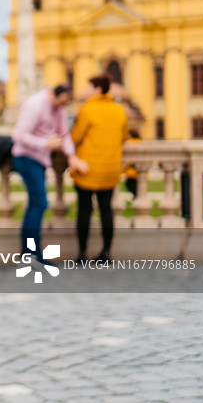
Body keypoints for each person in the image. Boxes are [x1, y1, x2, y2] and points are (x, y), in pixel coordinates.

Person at [12, 84, 89, 266]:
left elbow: (64, 134)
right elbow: (19, 135)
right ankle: (31, 253)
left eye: (66, 104)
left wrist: (71, 156)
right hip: (26, 157)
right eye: (62, 102)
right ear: (53, 94)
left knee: (36, 203)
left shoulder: (59, 107)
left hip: (39, 160)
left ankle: (29, 253)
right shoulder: (35, 105)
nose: (63, 107)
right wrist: (45, 144)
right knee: (39, 202)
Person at [70, 75, 129, 264]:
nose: (85, 91)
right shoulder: (119, 110)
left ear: (97, 90)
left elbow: (75, 137)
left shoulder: (87, 109)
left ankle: (82, 253)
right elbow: (124, 135)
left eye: (88, 87)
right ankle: (106, 253)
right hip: (110, 169)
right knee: (106, 211)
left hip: (88, 169)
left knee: (85, 211)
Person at [124, 129, 142, 199]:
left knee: (129, 185)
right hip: (135, 171)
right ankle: (135, 195)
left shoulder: (131, 142)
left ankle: (135, 195)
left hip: (132, 171)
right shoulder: (139, 141)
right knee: (135, 185)